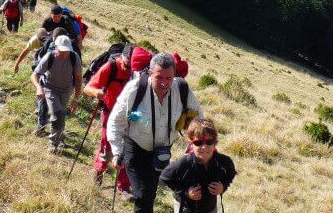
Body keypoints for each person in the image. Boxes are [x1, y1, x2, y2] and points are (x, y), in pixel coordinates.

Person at [108, 53, 202, 213]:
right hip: (136, 149)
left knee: (149, 194)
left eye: (169, 78)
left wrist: (199, 145)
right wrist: (117, 152)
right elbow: (116, 122)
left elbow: (199, 120)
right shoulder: (135, 89)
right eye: (159, 78)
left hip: (162, 153)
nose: (164, 83)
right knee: (143, 195)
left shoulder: (182, 89)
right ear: (150, 73)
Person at [83, 45, 153, 196]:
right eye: (126, 64)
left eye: (131, 66)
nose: (128, 69)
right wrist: (97, 93)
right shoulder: (111, 67)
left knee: (130, 149)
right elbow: (87, 88)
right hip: (110, 113)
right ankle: (99, 172)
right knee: (107, 145)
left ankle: (124, 186)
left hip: (133, 115)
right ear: (122, 57)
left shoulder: (140, 71)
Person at [160, 118, 236, 213]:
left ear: (215, 142)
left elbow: (231, 173)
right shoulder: (184, 163)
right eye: (198, 143)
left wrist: (223, 187)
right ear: (191, 143)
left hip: (210, 208)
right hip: (185, 208)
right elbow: (165, 177)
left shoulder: (223, 161)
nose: (204, 147)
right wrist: (186, 192)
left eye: (209, 142)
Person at [32, 34, 83, 151]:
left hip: (66, 90)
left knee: (61, 115)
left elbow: (79, 78)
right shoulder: (49, 56)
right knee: (57, 113)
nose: (64, 53)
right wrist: (39, 88)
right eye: (61, 50)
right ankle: (53, 143)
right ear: (55, 47)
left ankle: (58, 138)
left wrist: (76, 99)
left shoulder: (74, 57)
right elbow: (35, 74)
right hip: (50, 88)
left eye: (66, 51)